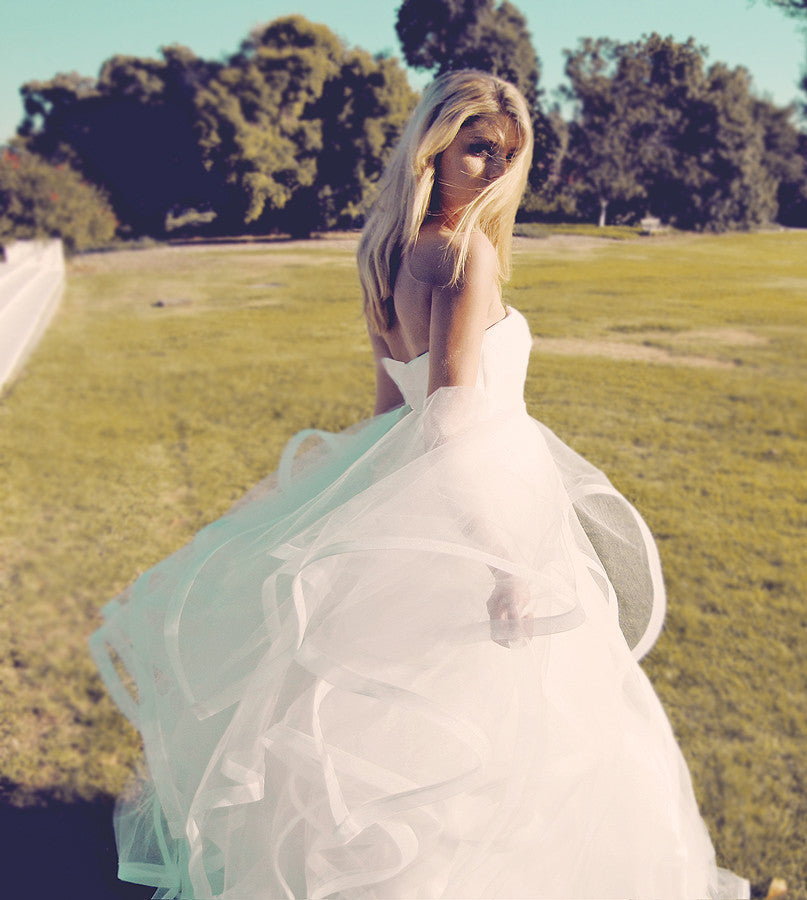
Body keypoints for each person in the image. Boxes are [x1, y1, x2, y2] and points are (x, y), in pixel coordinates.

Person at [91, 69, 748, 899]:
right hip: (476, 490)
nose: (495, 169)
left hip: (415, 485)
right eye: (479, 148)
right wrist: (503, 557)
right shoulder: (466, 254)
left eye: (509, 155)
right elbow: (449, 410)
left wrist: (357, 509)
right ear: (433, 145)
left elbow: (384, 412)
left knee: (398, 717)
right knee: (498, 728)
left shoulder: (383, 251)